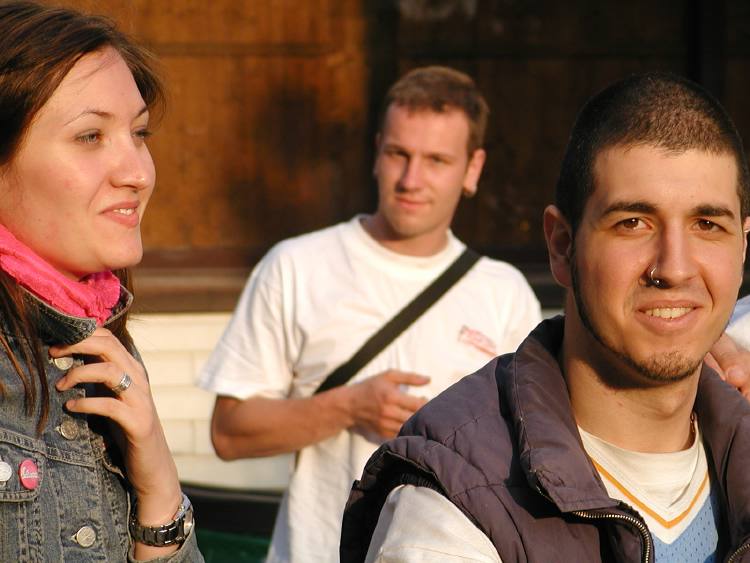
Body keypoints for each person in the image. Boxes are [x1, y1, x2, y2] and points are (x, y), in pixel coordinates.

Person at [342, 72, 750, 562]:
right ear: (561, 245)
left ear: (743, 246)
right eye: (633, 223)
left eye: (707, 224)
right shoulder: (452, 503)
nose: (674, 268)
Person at [198, 66, 542, 562]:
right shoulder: (296, 266)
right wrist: (350, 407)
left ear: (473, 169)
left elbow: (531, 458)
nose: (411, 179)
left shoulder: (505, 293)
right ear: (377, 153)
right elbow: (229, 433)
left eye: (437, 160)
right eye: (398, 153)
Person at [0, 2, 202, 561]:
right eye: (90, 136)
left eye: (139, 133)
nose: (137, 172)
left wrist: (159, 492)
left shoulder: (100, 352)